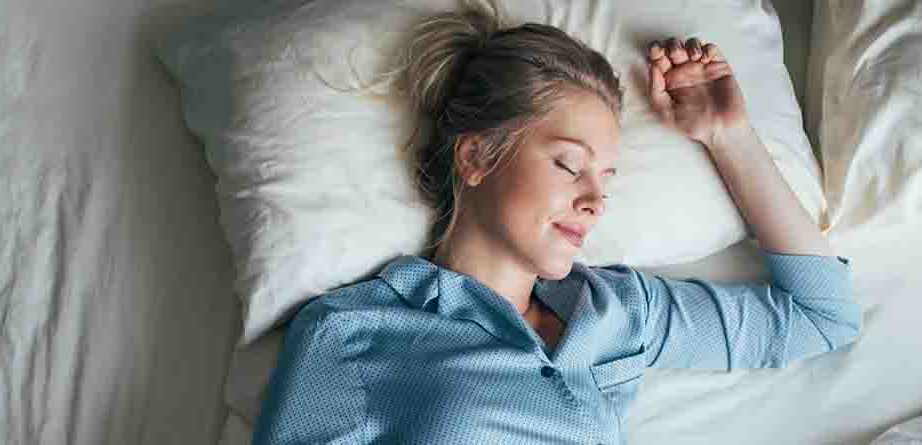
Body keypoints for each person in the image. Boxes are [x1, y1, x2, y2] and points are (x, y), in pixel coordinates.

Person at [253, 4, 861, 444]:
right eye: (570, 165)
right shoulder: (356, 331)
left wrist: (730, 139)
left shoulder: (620, 313)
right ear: (476, 156)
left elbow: (823, 316)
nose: (596, 199)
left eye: (607, 179)